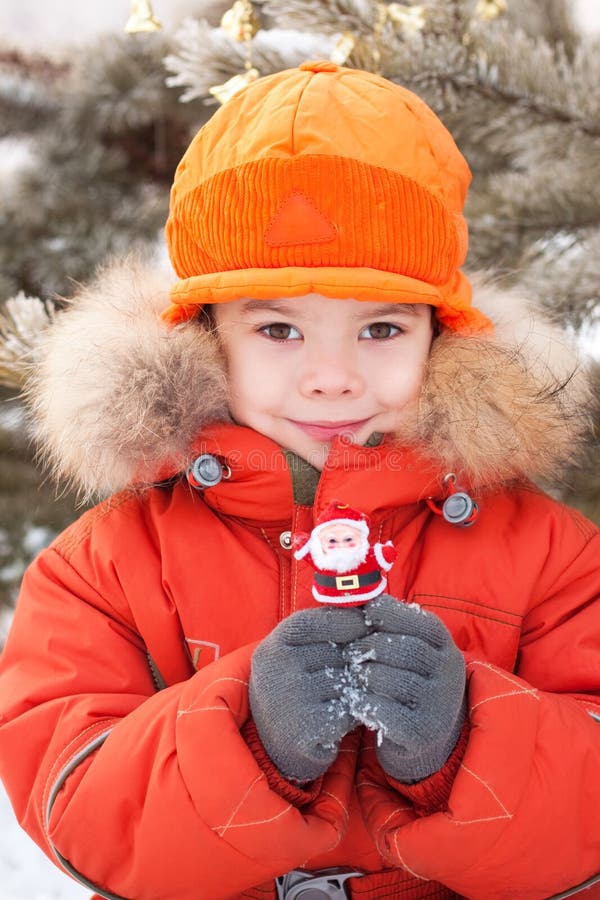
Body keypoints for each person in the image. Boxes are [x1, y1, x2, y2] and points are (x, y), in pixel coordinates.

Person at [0, 60, 599, 900]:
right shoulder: (105, 568)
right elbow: (73, 806)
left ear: (442, 336)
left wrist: (466, 746)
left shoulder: (552, 557)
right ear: (208, 340)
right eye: (279, 329)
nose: (331, 378)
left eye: (381, 327)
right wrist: (248, 738)